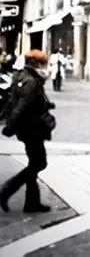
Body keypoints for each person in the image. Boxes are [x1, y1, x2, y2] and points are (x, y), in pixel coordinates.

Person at [0, 50, 55, 213]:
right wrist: (10, 125)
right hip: (32, 129)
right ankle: (6, 190)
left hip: (26, 128)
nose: (44, 67)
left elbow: (16, 101)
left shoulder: (20, 76)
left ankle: (32, 203)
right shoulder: (31, 81)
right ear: (36, 63)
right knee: (39, 163)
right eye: (43, 63)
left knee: (34, 163)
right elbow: (21, 106)